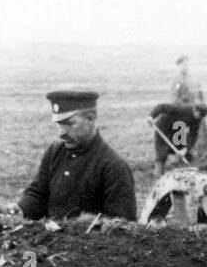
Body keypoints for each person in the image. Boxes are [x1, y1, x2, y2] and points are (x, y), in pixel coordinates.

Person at [13, 90, 137, 221]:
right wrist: (21, 209)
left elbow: (122, 225)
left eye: (69, 124)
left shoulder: (114, 167)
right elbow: (39, 194)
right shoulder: (55, 151)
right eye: (59, 124)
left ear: (90, 119)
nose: (61, 133)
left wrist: (87, 225)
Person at [149, 101, 207, 175]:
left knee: (181, 150)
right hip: (163, 128)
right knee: (161, 153)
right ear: (195, 110)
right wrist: (151, 116)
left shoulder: (197, 119)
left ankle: (178, 170)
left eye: (201, 117)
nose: (199, 118)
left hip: (178, 130)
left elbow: (193, 135)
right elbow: (161, 107)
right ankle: (158, 173)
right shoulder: (180, 108)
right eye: (199, 115)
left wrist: (185, 149)